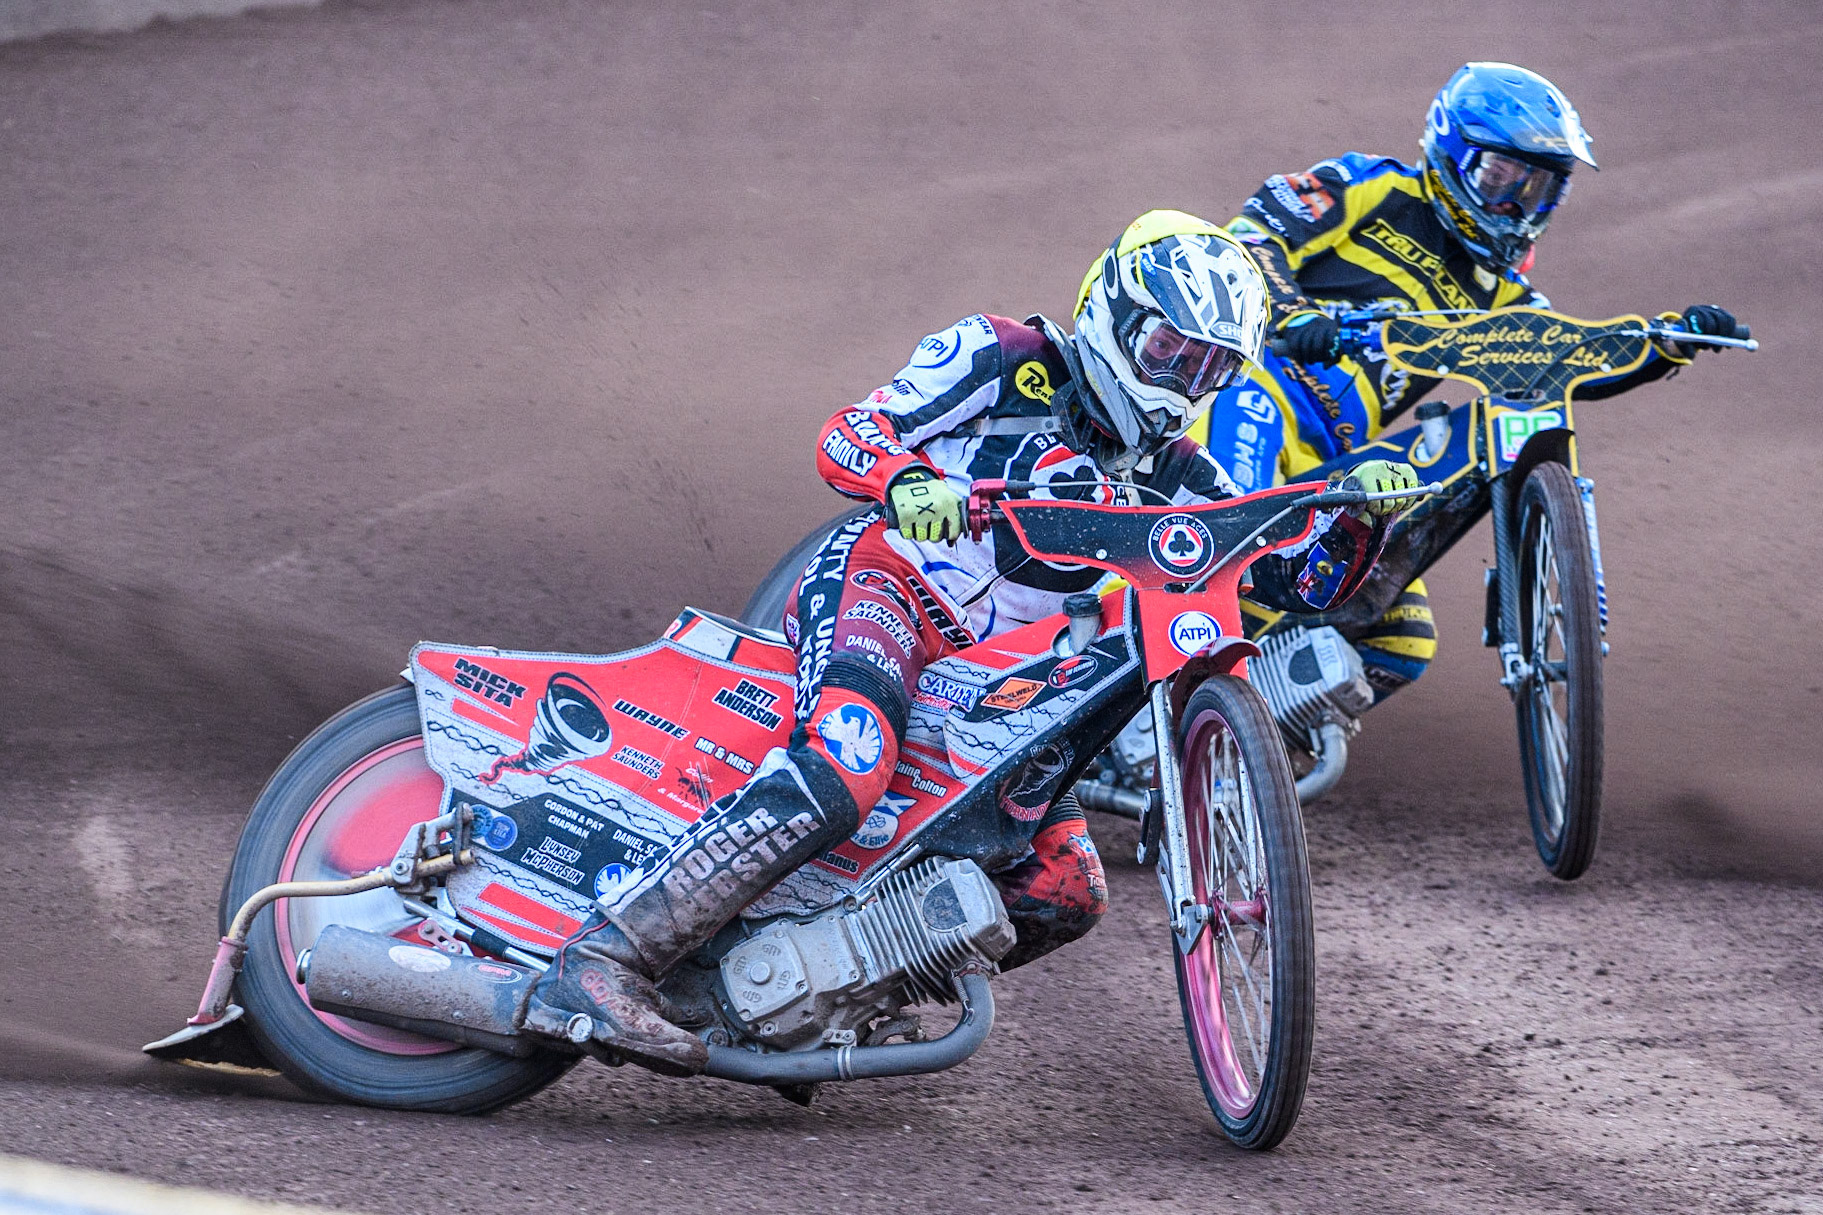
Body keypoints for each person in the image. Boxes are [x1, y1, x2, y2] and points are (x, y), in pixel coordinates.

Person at [520, 211, 1422, 1075]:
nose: (1182, 379)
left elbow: (1294, 587)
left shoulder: (1180, 472)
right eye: (1168, 351)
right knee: (847, 762)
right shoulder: (1000, 355)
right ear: (1114, 311)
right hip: (889, 583)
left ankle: (820, 995)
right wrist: (907, 478)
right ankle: (603, 960)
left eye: (1207, 367)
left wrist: (1359, 520)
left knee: (1068, 885)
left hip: (995, 669)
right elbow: (848, 433)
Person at [1195, 61, 1745, 699]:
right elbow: (1256, 234)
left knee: (1400, 643)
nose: (1515, 206)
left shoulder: (1502, 292)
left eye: (1537, 189)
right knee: (1241, 551)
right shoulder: (1374, 185)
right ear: (1451, 154)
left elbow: (1568, 360)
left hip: (1332, 458)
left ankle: (1238, 762)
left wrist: (1672, 341)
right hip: (1253, 391)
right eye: (1500, 177)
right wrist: (1297, 314)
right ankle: (1144, 700)